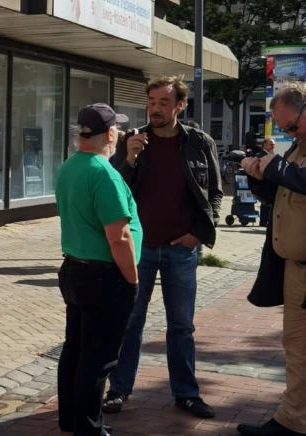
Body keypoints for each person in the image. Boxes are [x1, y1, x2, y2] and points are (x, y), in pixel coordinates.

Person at [104, 76, 222, 419]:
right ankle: (119, 390)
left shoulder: (199, 142)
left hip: (180, 249)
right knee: (130, 322)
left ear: (180, 106)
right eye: (152, 102)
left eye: (164, 103)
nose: (156, 109)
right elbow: (113, 189)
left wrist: (197, 235)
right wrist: (128, 158)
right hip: (139, 248)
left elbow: (214, 193)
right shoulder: (133, 141)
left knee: (182, 325)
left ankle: (186, 393)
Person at [55, 103, 140, 436]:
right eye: (116, 128)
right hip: (104, 275)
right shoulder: (103, 171)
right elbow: (118, 236)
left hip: (75, 269)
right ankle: (89, 427)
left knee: (74, 351)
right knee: (97, 359)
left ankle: (71, 420)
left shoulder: (70, 166)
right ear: (109, 133)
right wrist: (132, 279)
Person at [237, 82, 306, 436]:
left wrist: (275, 167)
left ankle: (292, 423)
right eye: (283, 129)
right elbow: (283, 193)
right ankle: (291, 420)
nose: (288, 133)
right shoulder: (298, 147)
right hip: (294, 270)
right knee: (296, 347)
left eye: (292, 127)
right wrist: (260, 178)